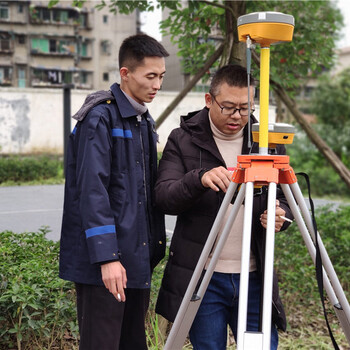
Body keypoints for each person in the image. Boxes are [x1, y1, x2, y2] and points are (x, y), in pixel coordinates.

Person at [154, 64, 293, 349]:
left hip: (256, 277)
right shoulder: (183, 139)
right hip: (204, 278)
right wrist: (199, 179)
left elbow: (288, 199)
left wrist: (281, 217)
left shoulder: (266, 143)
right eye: (228, 107)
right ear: (209, 100)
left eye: (245, 108)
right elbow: (164, 197)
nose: (238, 116)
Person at [59, 33, 169, 350]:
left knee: (133, 343)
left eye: (161, 76)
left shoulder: (142, 121)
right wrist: (108, 259)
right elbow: (92, 192)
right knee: (102, 344)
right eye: (151, 76)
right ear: (125, 73)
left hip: (136, 259)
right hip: (106, 266)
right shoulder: (100, 118)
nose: (157, 84)